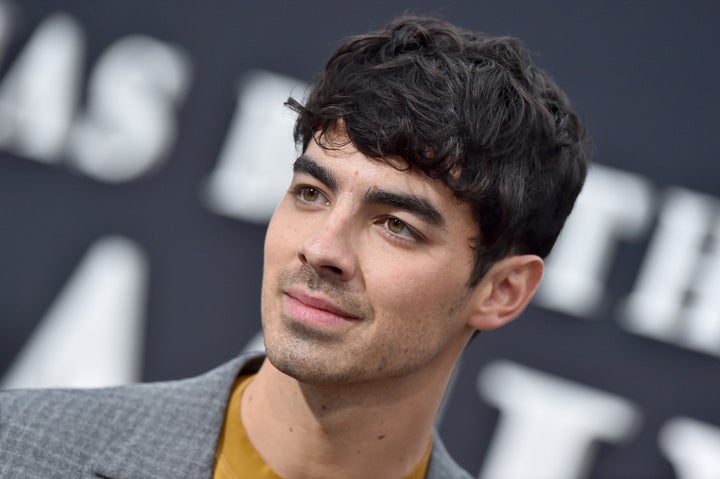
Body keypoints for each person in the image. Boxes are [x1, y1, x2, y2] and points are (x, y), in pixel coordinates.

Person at [0, 14, 590, 479]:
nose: (321, 248)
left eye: (396, 226)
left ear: (502, 291)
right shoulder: (20, 450)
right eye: (311, 193)